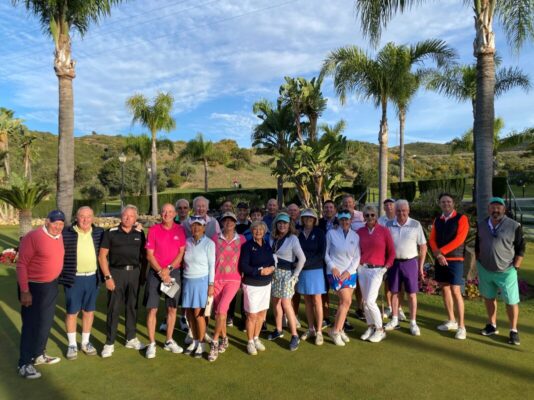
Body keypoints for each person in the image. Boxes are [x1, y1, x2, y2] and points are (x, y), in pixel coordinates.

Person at [16, 210, 65, 379]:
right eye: (55, 223)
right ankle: (24, 364)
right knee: (31, 325)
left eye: (61, 223)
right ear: (47, 222)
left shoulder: (59, 236)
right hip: (32, 287)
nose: (58, 227)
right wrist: (25, 291)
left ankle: (38, 354)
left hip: (50, 286)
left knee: (45, 322)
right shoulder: (33, 237)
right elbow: (21, 265)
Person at [98, 205, 147, 358]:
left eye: (131, 216)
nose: (127, 218)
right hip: (116, 273)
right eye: (125, 215)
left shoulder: (140, 233)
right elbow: (102, 256)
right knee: (113, 307)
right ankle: (109, 342)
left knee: (132, 306)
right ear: (121, 216)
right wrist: (107, 277)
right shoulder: (110, 233)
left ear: (135, 218)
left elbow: (144, 256)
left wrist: (142, 275)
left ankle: (130, 338)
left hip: (134, 273)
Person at [476, 197, 525, 345]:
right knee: (489, 297)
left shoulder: (514, 225)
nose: (495, 210)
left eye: (499, 207)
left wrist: (516, 266)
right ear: (489, 209)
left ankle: (513, 330)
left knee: (511, 301)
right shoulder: (482, 224)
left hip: (506, 271)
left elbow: (520, 248)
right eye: (493, 207)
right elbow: (478, 244)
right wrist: (479, 262)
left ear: (504, 209)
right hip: (485, 269)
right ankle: (492, 325)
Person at [59, 206, 104, 360]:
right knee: (72, 312)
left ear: (93, 218)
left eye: (89, 216)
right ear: (76, 217)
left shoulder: (99, 233)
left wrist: (137, 226)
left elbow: (116, 235)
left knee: (89, 311)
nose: (85, 219)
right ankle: (72, 345)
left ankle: (85, 342)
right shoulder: (66, 233)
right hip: (74, 278)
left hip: (92, 278)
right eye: (82, 216)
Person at [143, 204, 187, 359]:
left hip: (172, 273)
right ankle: (152, 343)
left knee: (172, 309)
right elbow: (149, 255)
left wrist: (168, 270)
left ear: (174, 214)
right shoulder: (154, 230)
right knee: (152, 309)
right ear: (161, 214)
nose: (166, 214)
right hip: (156, 274)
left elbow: (181, 253)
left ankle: (169, 340)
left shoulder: (180, 230)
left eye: (170, 212)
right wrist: (161, 272)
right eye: (164, 211)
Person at [429, 193, 469, 340]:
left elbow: (460, 239)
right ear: (439, 204)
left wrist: (442, 252)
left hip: (455, 260)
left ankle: (462, 326)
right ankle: (452, 320)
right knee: (444, 289)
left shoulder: (461, 218)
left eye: (448, 201)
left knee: (456, 291)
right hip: (441, 260)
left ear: (453, 203)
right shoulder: (437, 220)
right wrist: (438, 255)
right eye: (443, 202)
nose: (446, 204)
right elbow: (432, 239)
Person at [384, 200, 427, 336]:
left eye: (404, 210)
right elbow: (384, 245)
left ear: (408, 211)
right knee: (394, 292)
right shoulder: (388, 224)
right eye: (398, 211)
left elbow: (423, 246)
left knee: (412, 294)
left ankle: (413, 322)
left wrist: (420, 266)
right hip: (394, 263)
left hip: (410, 262)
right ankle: (394, 319)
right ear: (395, 211)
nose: (401, 213)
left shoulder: (416, 224)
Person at [208, 212, 246, 361]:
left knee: (222, 309)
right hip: (217, 279)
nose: (228, 223)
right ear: (222, 223)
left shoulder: (241, 239)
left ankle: (215, 342)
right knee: (219, 313)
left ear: (235, 223)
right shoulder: (214, 238)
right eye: (225, 221)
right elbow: (211, 260)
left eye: (231, 221)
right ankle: (224, 338)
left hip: (233, 280)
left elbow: (245, 259)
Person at [267, 213, 306, 351]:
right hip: (274, 274)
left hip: (287, 275)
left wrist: (295, 276)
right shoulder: (272, 237)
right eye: (280, 223)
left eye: (285, 223)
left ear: (289, 225)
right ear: (276, 224)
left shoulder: (293, 238)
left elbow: (302, 259)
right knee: (275, 302)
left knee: (286, 303)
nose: (282, 225)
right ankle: (279, 329)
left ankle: (295, 335)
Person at [357, 205, 395, 343]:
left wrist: (386, 267)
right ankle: (370, 326)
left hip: (377, 270)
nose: (370, 217)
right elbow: (356, 250)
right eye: (367, 215)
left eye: (372, 215)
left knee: (370, 301)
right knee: (365, 302)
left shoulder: (384, 231)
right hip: (362, 269)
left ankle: (380, 330)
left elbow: (392, 252)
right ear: (364, 217)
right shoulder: (360, 232)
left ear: (376, 216)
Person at [239, 221, 275, 355]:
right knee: (252, 315)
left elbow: (272, 261)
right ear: (251, 231)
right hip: (252, 284)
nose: (258, 231)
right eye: (255, 229)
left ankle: (256, 338)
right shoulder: (247, 246)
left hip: (266, 284)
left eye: (261, 229)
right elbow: (243, 266)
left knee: (261, 314)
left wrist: (272, 268)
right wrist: (259, 271)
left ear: (264, 232)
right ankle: (250, 342)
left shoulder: (267, 245)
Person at [182, 216, 216, 358]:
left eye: (199, 225)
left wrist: (211, 284)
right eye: (193, 225)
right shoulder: (187, 241)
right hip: (187, 280)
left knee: (198, 313)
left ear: (204, 228)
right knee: (189, 313)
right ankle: (195, 340)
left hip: (202, 281)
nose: (196, 228)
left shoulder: (209, 243)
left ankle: (202, 343)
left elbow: (212, 265)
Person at [325, 209, 360, 346]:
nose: (345, 222)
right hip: (335, 272)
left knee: (345, 303)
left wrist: (350, 271)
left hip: (350, 273)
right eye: (342, 219)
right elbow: (325, 253)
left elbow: (357, 256)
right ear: (339, 220)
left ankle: (340, 329)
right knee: (346, 301)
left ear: (351, 220)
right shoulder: (331, 233)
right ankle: (335, 331)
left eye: (347, 219)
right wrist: (332, 267)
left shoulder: (355, 236)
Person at [296, 208, 326, 345]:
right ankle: (311, 329)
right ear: (302, 219)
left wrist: (305, 263)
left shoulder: (319, 233)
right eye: (305, 217)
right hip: (302, 271)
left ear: (314, 220)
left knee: (317, 300)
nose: (308, 220)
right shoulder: (298, 233)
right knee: (307, 300)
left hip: (316, 270)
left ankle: (319, 331)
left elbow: (321, 254)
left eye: (310, 218)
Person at [378, 198, 405, 320]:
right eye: (386, 205)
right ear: (384, 208)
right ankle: (389, 307)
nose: (389, 206)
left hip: (399, 256)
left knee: (400, 284)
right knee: (388, 282)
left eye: (391, 204)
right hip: (385, 256)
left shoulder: (400, 218)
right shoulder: (380, 220)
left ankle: (399, 308)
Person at [341, 194, 365, 324]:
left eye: (350, 202)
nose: (348, 205)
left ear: (354, 203)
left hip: (360, 255)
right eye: (345, 203)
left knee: (359, 285)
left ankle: (360, 308)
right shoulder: (340, 216)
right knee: (345, 288)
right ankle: (344, 312)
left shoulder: (361, 216)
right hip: (344, 259)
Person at [318, 199, 338, 328]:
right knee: (324, 290)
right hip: (322, 261)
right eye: (326, 207)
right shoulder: (319, 223)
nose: (328, 209)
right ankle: (325, 317)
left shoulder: (341, 221)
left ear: (335, 209)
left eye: (331, 207)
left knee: (340, 292)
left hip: (338, 261)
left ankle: (342, 319)